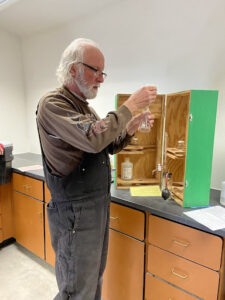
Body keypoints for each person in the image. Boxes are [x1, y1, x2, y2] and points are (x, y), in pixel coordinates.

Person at [36, 38, 157, 300]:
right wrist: (130, 105)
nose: (101, 79)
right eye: (96, 70)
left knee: (92, 279)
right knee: (76, 287)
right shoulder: (53, 104)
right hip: (75, 211)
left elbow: (105, 145)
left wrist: (130, 126)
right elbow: (93, 138)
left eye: (103, 72)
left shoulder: (84, 107)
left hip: (95, 205)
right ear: (73, 69)